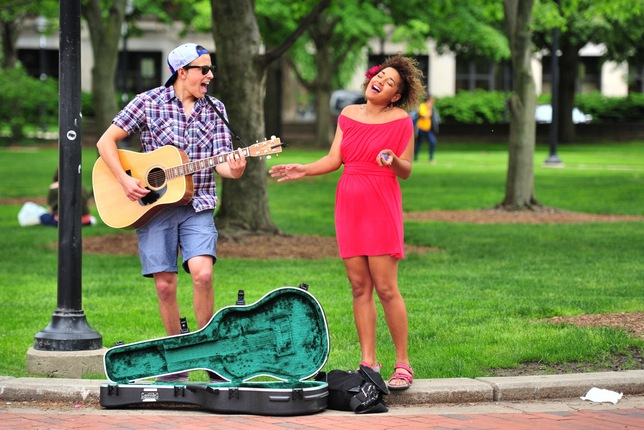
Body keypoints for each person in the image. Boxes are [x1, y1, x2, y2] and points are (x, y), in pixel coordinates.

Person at [269, 54, 425, 391]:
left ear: (396, 95)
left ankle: (403, 364)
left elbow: (407, 169)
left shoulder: (400, 121)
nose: (380, 80)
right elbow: (334, 159)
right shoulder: (348, 115)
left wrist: (393, 160)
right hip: (350, 206)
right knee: (359, 287)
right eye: (379, 75)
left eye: (390, 82)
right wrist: (303, 169)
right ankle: (369, 362)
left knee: (385, 287)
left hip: (381, 204)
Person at [96, 43, 247, 383]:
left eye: (210, 69)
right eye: (203, 69)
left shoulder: (215, 109)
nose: (210, 75)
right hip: (154, 207)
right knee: (165, 285)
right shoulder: (148, 102)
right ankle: (177, 357)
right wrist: (124, 181)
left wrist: (235, 169)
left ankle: (208, 351)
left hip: (198, 204)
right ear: (182, 72)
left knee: (203, 274)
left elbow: (223, 163)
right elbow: (106, 142)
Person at [414, 95, 439, 162]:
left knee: (433, 141)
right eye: (432, 100)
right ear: (428, 100)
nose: (433, 101)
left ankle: (431, 158)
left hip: (429, 129)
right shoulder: (422, 106)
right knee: (419, 143)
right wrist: (428, 109)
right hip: (421, 128)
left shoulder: (432, 108)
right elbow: (424, 116)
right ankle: (415, 157)